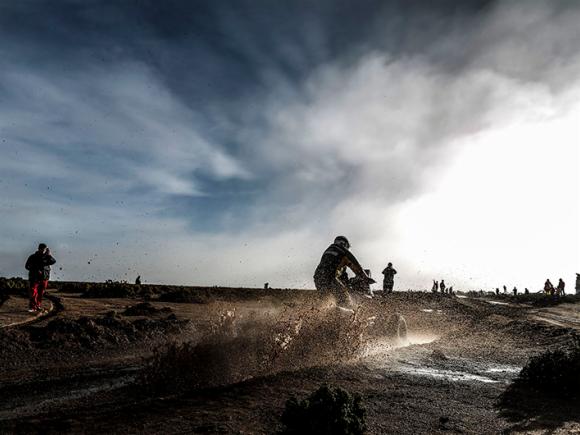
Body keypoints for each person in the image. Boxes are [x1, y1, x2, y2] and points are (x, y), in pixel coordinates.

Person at [314, 236, 374, 307]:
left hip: (318, 279)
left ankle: (323, 313)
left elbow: (342, 275)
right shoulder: (343, 251)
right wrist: (366, 278)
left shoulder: (328, 251)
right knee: (345, 302)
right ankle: (339, 314)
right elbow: (357, 266)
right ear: (344, 244)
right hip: (330, 278)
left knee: (327, 301)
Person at [25, 243, 56, 313]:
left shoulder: (47, 257)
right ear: (39, 249)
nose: (43, 251)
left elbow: (53, 261)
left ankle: (38, 305)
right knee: (33, 292)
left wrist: (49, 255)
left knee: (40, 293)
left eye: (45, 250)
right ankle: (32, 307)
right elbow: (27, 266)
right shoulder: (33, 257)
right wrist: (35, 270)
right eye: (42, 249)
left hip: (44, 278)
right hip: (34, 278)